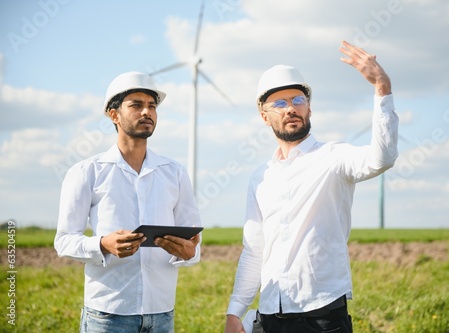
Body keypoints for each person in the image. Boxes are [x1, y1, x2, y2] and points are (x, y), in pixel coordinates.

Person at [225, 40, 399, 333]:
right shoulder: (260, 177)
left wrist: (382, 87)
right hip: (269, 315)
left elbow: (382, 158)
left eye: (297, 100)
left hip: (322, 317)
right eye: (279, 103)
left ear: (309, 109)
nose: (290, 109)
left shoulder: (334, 156)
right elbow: (254, 249)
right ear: (264, 116)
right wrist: (234, 312)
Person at [54, 71, 202, 333]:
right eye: (136, 105)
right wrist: (102, 245)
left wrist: (190, 254)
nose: (147, 111)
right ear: (114, 115)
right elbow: (64, 240)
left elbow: (193, 242)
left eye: (152, 106)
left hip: (161, 313)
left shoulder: (175, 172)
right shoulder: (86, 171)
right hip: (108, 314)